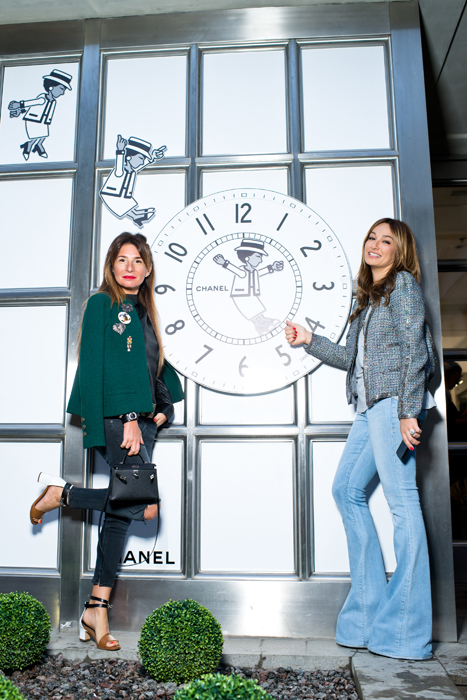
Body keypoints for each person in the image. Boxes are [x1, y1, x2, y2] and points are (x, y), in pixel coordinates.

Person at [285, 217, 436, 660]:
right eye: (372, 237)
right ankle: (368, 617)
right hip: (369, 409)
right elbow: (351, 357)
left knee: (402, 504)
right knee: (346, 490)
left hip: (394, 406)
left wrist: (409, 411)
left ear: (399, 252)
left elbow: (416, 350)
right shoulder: (368, 298)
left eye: (387, 241)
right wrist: (310, 340)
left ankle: (406, 632)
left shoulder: (403, 286)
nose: (376, 245)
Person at [29, 232, 184, 651]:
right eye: (122, 259)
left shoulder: (143, 311)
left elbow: (151, 366)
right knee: (144, 507)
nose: (130, 267)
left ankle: (96, 608)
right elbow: (100, 366)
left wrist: (164, 405)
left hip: (142, 421)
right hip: (120, 419)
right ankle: (63, 495)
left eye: (138, 261)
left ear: (148, 270)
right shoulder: (102, 304)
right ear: (111, 266)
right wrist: (129, 416)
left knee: (120, 514)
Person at [8, 68, 73, 160]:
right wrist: (19, 106)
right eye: (61, 88)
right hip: (33, 120)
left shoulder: (54, 101)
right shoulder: (42, 98)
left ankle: (38, 145)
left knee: (44, 135)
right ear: (51, 87)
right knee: (36, 136)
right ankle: (29, 146)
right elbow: (32, 104)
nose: (62, 93)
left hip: (43, 121)